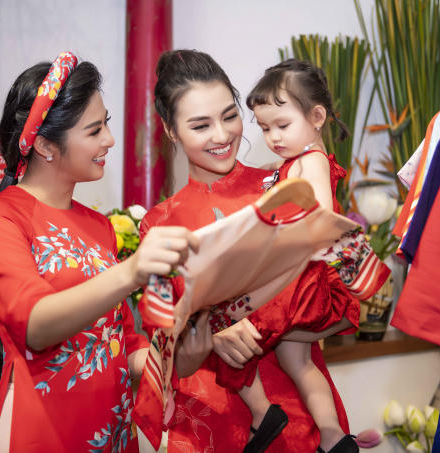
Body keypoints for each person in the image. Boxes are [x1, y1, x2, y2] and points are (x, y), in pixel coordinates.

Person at [133, 49, 358, 453]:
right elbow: (168, 359)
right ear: (171, 131)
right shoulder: (160, 227)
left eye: (230, 116)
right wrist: (209, 338)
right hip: (212, 421)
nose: (222, 135)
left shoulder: (285, 185)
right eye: (201, 125)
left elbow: (342, 302)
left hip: (302, 413)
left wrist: (264, 325)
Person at [0, 52, 198, 453]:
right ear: (46, 145)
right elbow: (35, 326)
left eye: (106, 123)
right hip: (42, 431)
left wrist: (183, 347)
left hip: (111, 431)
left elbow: (124, 345)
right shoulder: (0, 218)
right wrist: (131, 272)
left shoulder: (99, 226)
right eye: (95, 130)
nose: (109, 139)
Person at [244, 58, 363, 453]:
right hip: (296, 277)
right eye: (265, 128)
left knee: (231, 333)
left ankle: (262, 414)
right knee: (298, 363)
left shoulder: (311, 162)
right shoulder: (295, 163)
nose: (273, 137)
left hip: (299, 282)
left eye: (282, 125)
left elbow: (321, 216)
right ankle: (332, 436)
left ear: (316, 117)